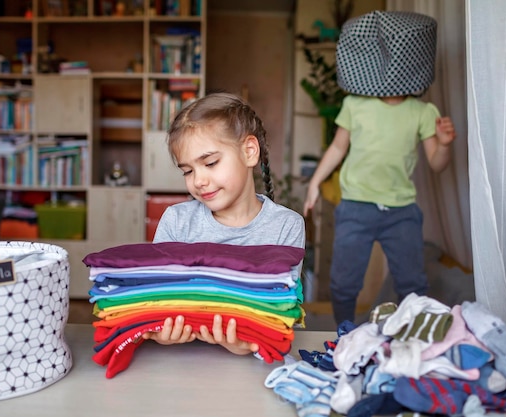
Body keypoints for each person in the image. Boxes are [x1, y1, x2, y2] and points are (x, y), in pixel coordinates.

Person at [302, 11, 457, 325]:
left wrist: (444, 144)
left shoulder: (423, 111)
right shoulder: (355, 105)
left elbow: (437, 165)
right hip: (356, 206)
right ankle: (344, 331)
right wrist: (315, 182)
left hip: (400, 211)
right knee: (344, 283)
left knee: (412, 284)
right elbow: (337, 148)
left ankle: (410, 335)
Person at [144, 92, 306, 356]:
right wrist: (160, 332)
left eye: (210, 163)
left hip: (254, 374)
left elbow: (282, 313)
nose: (198, 180)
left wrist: (251, 343)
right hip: (182, 362)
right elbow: (156, 298)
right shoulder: (176, 220)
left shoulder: (286, 226)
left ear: (249, 152)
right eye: (188, 171)